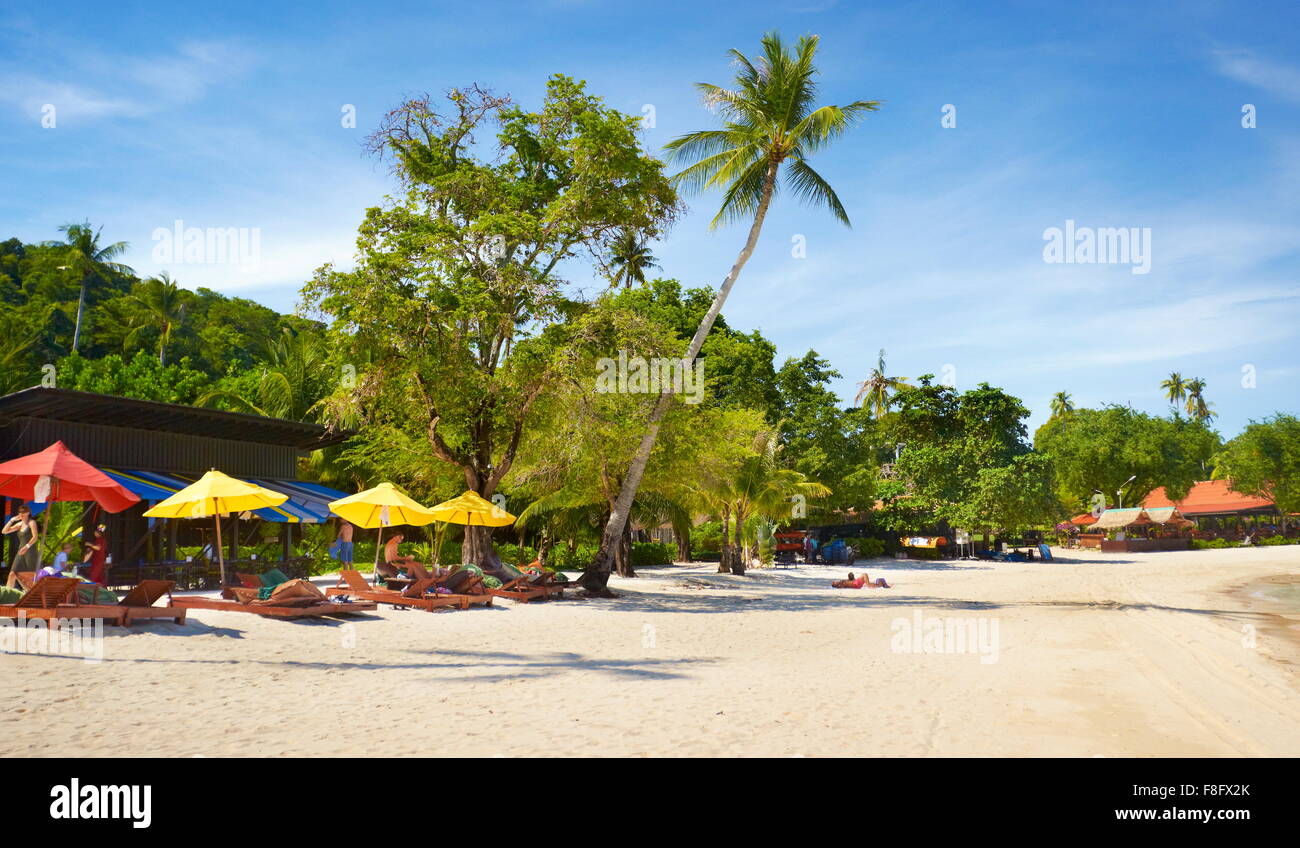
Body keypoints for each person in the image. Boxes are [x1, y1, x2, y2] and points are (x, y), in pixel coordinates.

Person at [3, 504, 41, 587]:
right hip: (21, 551)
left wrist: (26, 546)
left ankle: (32, 596)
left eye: (23, 512)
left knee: (30, 576)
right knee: (12, 573)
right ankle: (7, 595)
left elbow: (35, 537)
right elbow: (4, 531)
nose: (21, 514)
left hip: (30, 551)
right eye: (20, 512)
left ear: (28, 513)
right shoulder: (19, 524)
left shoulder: (32, 522)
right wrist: (11, 520)